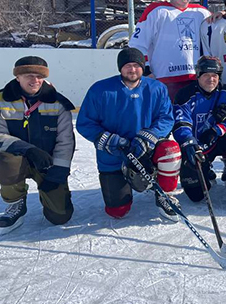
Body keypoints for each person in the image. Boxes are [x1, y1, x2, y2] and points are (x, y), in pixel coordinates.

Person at [76, 48, 181, 220]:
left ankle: (165, 195)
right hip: (114, 155)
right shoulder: (100, 90)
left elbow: (166, 118)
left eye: (136, 65)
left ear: (142, 67)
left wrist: (151, 135)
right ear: (120, 68)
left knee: (170, 150)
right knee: (117, 211)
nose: (132, 69)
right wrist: (106, 138)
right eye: (127, 66)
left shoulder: (157, 88)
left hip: (146, 150)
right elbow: (85, 122)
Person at [0, 56, 76, 233]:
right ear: (17, 77)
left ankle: (49, 194)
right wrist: (29, 150)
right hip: (18, 159)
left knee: (60, 216)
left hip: (47, 162)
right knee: (7, 161)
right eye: (28, 75)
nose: (34, 80)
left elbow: (65, 141)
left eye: (38, 76)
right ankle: (15, 203)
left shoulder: (58, 103)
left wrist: (58, 171)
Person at [173, 56, 226, 208]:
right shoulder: (185, 94)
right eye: (206, 75)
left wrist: (218, 129)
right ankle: (206, 170)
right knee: (196, 195)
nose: (211, 79)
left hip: (218, 141)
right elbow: (181, 123)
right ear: (198, 75)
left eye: (215, 75)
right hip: (196, 147)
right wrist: (190, 142)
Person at [128, 0, 212, 100]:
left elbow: (219, 26)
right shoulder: (156, 10)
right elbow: (137, 44)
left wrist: (222, 13)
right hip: (163, 78)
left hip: (194, 78)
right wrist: (145, 69)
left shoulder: (202, 12)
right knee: (164, 117)